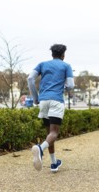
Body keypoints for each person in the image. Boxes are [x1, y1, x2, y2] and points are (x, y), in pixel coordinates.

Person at [27, 44, 74, 172]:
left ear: (52, 54)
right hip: (56, 101)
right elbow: (70, 85)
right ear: (63, 55)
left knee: (49, 133)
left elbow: (30, 78)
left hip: (43, 101)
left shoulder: (42, 64)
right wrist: (63, 87)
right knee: (54, 133)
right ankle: (40, 149)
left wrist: (35, 98)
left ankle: (54, 163)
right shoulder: (66, 66)